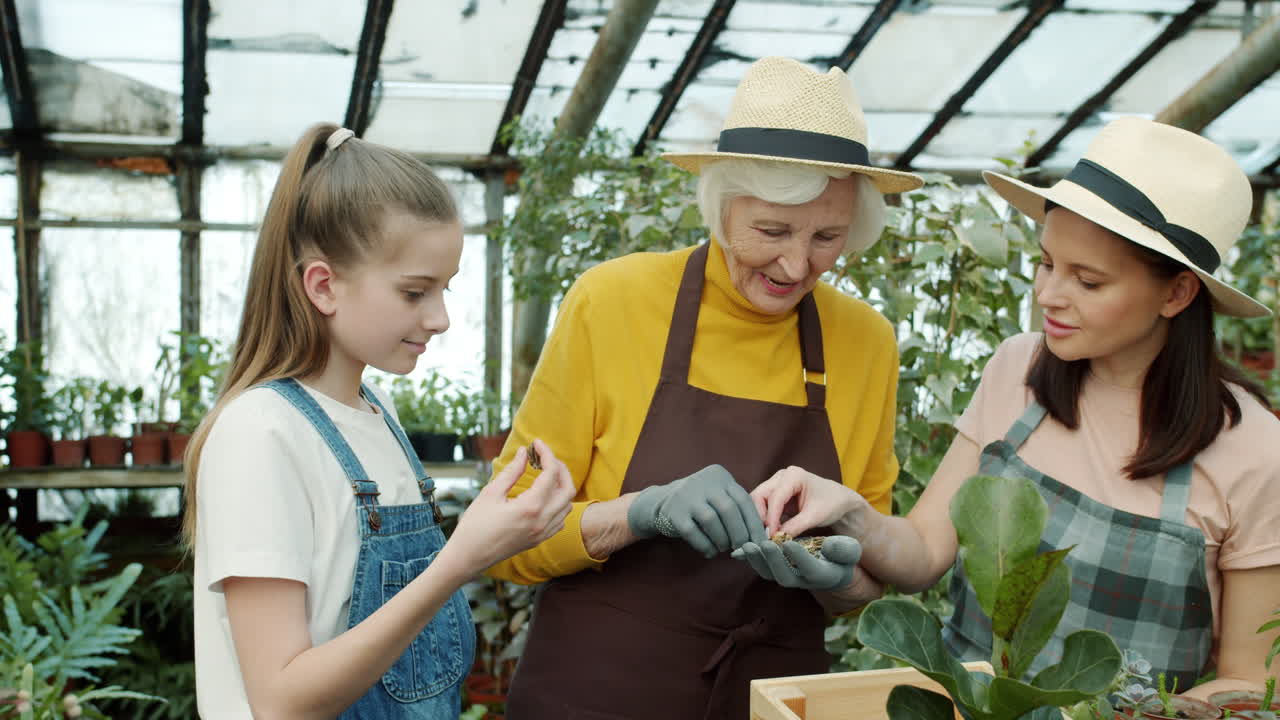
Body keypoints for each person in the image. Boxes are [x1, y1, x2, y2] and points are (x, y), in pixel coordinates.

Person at [751, 117, 1280, 697]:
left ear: (1177, 293)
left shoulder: (1255, 454)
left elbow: (1250, 682)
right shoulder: (1019, 370)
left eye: (1089, 281)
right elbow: (926, 550)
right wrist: (850, 514)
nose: (1049, 295)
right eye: (1048, 262)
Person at [485, 56, 924, 719]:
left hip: (772, 699)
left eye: (828, 236)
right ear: (720, 208)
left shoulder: (865, 343)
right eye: (771, 230)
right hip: (596, 694)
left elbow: (862, 577)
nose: (797, 263)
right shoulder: (614, 303)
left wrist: (838, 579)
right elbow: (505, 541)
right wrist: (638, 513)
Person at [185, 124, 575, 719]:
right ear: (323, 286)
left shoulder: (378, 415)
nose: (441, 318)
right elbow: (282, 700)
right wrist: (461, 559)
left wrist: (492, 526)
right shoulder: (260, 434)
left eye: (444, 289)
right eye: (415, 292)